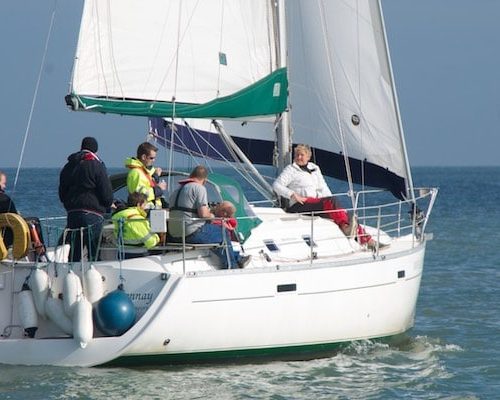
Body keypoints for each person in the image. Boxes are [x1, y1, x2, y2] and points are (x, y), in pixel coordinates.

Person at [273, 144, 377, 249]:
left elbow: (323, 187)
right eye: (297, 155)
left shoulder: (314, 168)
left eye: (302, 155)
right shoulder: (291, 170)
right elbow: (276, 185)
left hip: (315, 204)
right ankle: (346, 228)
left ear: (308, 156)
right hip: (299, 205)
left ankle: (367, 240)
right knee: (332, 203)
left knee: (347, 214)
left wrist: (336, 207)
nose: (299, 157)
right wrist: (292, 194)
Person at [167, 166, 250, 269]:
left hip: (174, 234)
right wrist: (213, 216)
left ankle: (237, 258)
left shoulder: (176, 191)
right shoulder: (199, 188)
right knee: (223, 232)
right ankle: (232, 266)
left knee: (213, 234)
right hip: (191, 233)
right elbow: (204, 214)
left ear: (191, 175)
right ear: (205, 180)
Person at [59, 137, 113, 262]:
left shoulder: (68, 166)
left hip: (73, 213)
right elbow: (106, 193)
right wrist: (107, 204)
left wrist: (70, 205)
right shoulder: (97, 165)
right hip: (93, 213)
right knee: (93, 253)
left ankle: (72, 272)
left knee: (74, 253)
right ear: (96, 150)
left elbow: (62, 192)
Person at [112, 192, 162, 258]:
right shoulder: (137, 219)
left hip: (121, 253)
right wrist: (157, 237)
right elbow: (150, 242)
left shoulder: (118, 216)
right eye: (144, 205)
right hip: (137, 254)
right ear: (139, 205)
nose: (145, 208)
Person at [125, 142, 167, 209]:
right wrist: (159, 189)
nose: (154, 160)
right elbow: (139, 195)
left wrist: (155, 176)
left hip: (152, 211)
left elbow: (148, 184)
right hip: (144, 211)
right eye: (151, 158)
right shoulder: (136, 172)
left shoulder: (144, 172)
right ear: (144, 157)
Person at [0, 171, 18, 247]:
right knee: (34, 221)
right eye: (3, 184)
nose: (5, 186)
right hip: (8, 235)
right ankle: (40, 250)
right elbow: (15, 216)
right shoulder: (5, 199)